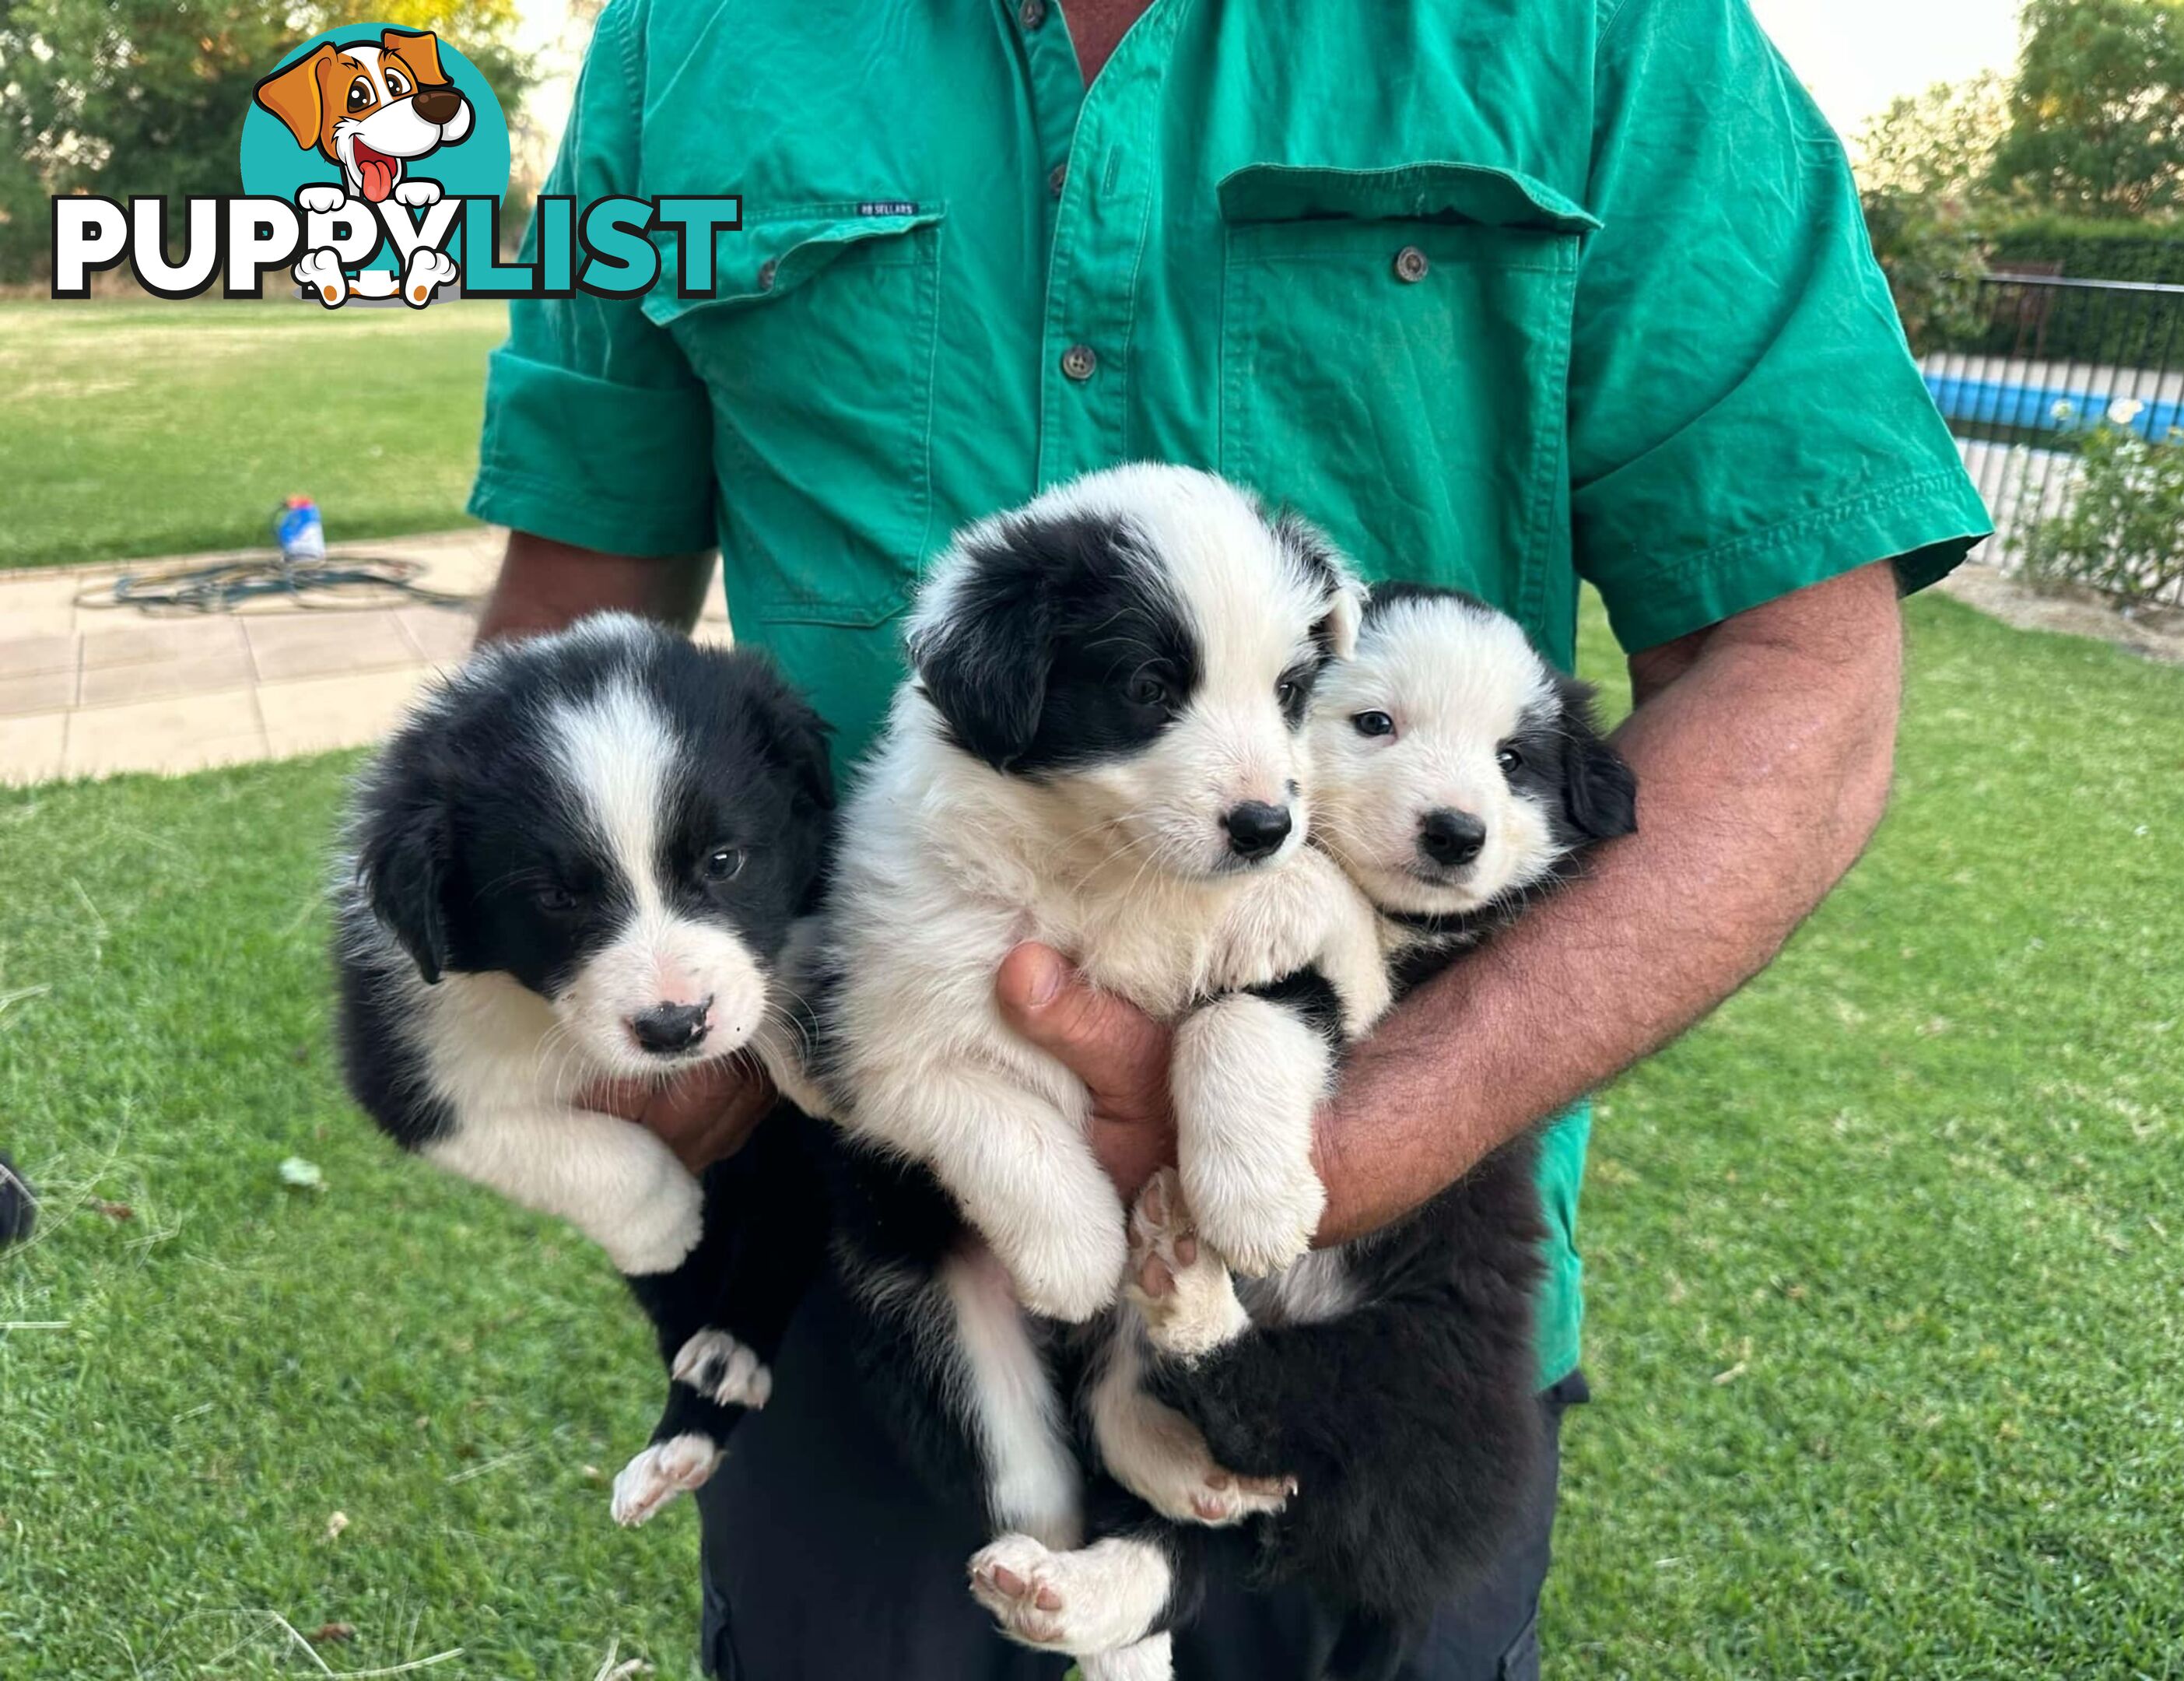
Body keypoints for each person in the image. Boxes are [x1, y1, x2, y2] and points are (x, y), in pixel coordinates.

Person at [467, 1, 1990, 1673]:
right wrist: (655, 1067)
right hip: (878, 1254)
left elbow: (1799, 670)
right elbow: (568, 612)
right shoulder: (689, 36)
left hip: (1371, 1297)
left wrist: (1358, 1134)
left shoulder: (1614, 33)